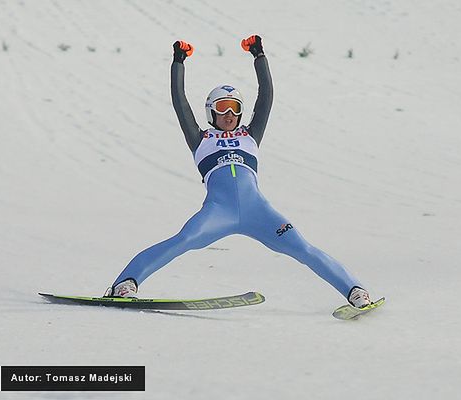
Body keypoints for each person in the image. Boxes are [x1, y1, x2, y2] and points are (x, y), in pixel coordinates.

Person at [106, 35, 372, 308]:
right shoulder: (200, 138)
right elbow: (180, 101)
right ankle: (125, 283)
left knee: (302, 248)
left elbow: (266, 96)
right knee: (183, 240)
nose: (230, 113)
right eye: (223, 108)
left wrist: (259, 56)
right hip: (218, 212)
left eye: (235, 108)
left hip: (259, 212)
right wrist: (178, 62)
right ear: (211, 112)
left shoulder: (251, 135)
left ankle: (354, 290)